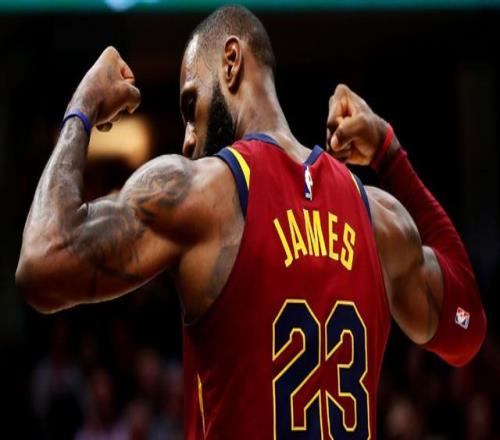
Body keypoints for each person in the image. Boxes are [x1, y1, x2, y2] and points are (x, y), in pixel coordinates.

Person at [16, 5, 486, 439]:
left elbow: (42, 262)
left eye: (190, 106)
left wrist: (82, 105)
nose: (187, 139)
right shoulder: (376, 216)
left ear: (232, 61)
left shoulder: (201, 194)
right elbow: (466, 329)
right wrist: (388, 152)